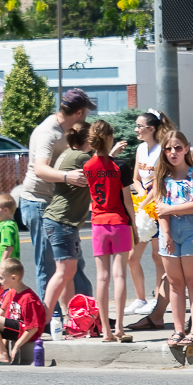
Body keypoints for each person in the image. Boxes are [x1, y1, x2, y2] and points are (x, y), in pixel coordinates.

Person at [18, 89, 94, 298]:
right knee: (49, 264)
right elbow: (40, 169)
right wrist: (67, 177)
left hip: (59, 205)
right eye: (86, 112)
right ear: (78, 112)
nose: (87, 115)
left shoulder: (65, 130)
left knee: (73, 261)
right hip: (39, 203)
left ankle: (87, 315)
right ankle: (50, 319)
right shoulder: (48, 133)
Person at [157, 141, 193, 361]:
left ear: (186, 149)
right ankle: (179, 329)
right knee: (175, 283)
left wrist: (170, 209)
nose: (173, 153)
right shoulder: (162, 178)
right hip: (169, 232)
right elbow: (159, 210)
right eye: (169, 149)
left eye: (178, 148)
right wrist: (167, 233)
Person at [81, 120, 133, 342]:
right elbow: (128, 200)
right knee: (120, 274)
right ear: (110, 137)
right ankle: (120, 326)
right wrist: (134, 225)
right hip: (120, 221)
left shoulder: (87, 167)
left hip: (99, 224)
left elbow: (100, 163)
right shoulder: (121, 166)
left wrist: (108, 152)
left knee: (102, 278)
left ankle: (106, 330)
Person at [36, 118, 92, 322]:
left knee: (67, 274)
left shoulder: (69, 153)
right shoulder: (82, 157)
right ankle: (45, 320)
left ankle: (70, 320)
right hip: (62, 221)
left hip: (58, 220)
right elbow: (103, 171)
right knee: (63, 273)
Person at [129, 113, 180, 328]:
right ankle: (140, 298)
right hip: (143, 204)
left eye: (139, 126)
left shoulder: (163, 149)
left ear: (151, 128)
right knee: (132, 256)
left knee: (159, 257)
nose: (136, 130)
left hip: (158, 205)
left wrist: (147, 199)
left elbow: (160, 180)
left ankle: (159, 302)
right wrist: (141, 196)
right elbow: (136, 178)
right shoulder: (141, 149)